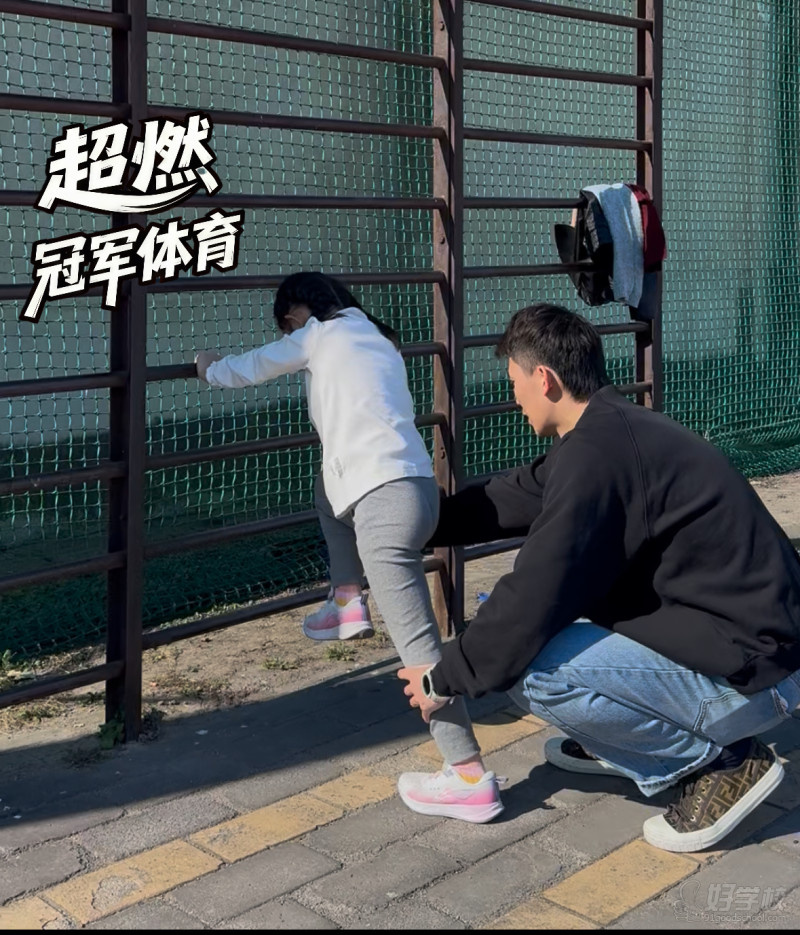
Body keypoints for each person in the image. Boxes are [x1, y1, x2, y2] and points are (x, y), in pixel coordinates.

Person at [398, 302, 800, 852]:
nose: (514, 397)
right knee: (530, 634)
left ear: (545, 378)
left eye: (514, 382)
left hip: (756, 676)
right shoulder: (611, 431)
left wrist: (441, 679)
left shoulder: (598, 456)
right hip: (757, 645)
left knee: (531, 668)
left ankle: (722, 763)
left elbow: (537, 592)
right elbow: (514, 495)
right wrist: (419, 522)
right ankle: (625, 740)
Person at [194, 271, 503, 823]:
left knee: (420, 652)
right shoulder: (380, 339)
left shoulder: (318, 333)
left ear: (297, 313)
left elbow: (252, 366)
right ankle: (347, 599)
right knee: (326, 488)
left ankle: (469, 776)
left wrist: (209, 367)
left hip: (381, 503)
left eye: (286, 324)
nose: (288, 333)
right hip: (417, 488)